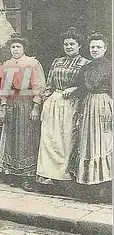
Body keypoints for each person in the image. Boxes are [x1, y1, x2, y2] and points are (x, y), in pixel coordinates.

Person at [36, 27, 90, 191]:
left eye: (72, 44)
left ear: (79, 45)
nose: (69, 47)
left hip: (71, 104)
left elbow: (86, 86)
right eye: (66, 44)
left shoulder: (85, 63)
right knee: (49, 140)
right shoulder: (57, 61)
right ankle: (48, 178)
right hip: (54, 103)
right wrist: (45, 100)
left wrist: (74, 89)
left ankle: (65, 179)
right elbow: (49, 84)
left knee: (66, 141)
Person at [0, 32, 46, 191]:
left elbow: (39, 86)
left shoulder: (32, 63)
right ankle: (14, 174)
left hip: (27, 102)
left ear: (24, 48)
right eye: (13, 47)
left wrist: (36, 107)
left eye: (18, 47)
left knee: (26, 138)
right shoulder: (7, 64)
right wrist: (3, 107)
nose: (15, 50)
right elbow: (3, 87)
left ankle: (27, 177)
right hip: (12, 103)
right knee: (13, 137)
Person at [69, 32, 112, 202]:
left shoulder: (110, 67)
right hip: (88, 107)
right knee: (88, 144)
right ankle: (91, 186)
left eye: (98, 47)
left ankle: (105, 187)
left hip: (104, 106)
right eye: (92, 47)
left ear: (105, 49)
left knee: (104, 143)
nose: (95, 50)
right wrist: (73, 91)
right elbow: (81, 89)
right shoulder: (85, 68)